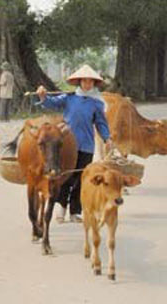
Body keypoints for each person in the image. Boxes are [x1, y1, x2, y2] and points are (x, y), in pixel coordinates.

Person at [36, 64, 112, 224]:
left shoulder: (97, 103)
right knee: (64, 178)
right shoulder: (69, 98)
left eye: (90, 82)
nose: (87, 84)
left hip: (86, 145)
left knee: (81, 178)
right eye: (84, 81)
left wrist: (107, 137)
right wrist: (43, 96)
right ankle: (61, 209)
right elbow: (51, 103)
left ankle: (75, 211)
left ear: (94, 83)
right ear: (79, 82)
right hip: (68, 145)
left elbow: (101, 123)